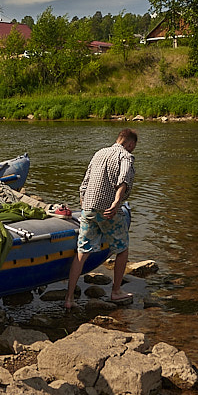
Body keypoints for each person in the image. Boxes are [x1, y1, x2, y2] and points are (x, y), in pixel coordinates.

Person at [65, 128, 137, 310]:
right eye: (133, 147)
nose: (132, 150)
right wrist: (116, 202)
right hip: (108, 210)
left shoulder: (99, 153)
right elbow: (124, 180)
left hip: (88, 208)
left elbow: (85, 183)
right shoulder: (125, 156)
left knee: (81, 252)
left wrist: (84, 205)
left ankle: (68, 299)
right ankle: (116, 291)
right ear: (129, 143)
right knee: (122, 249)